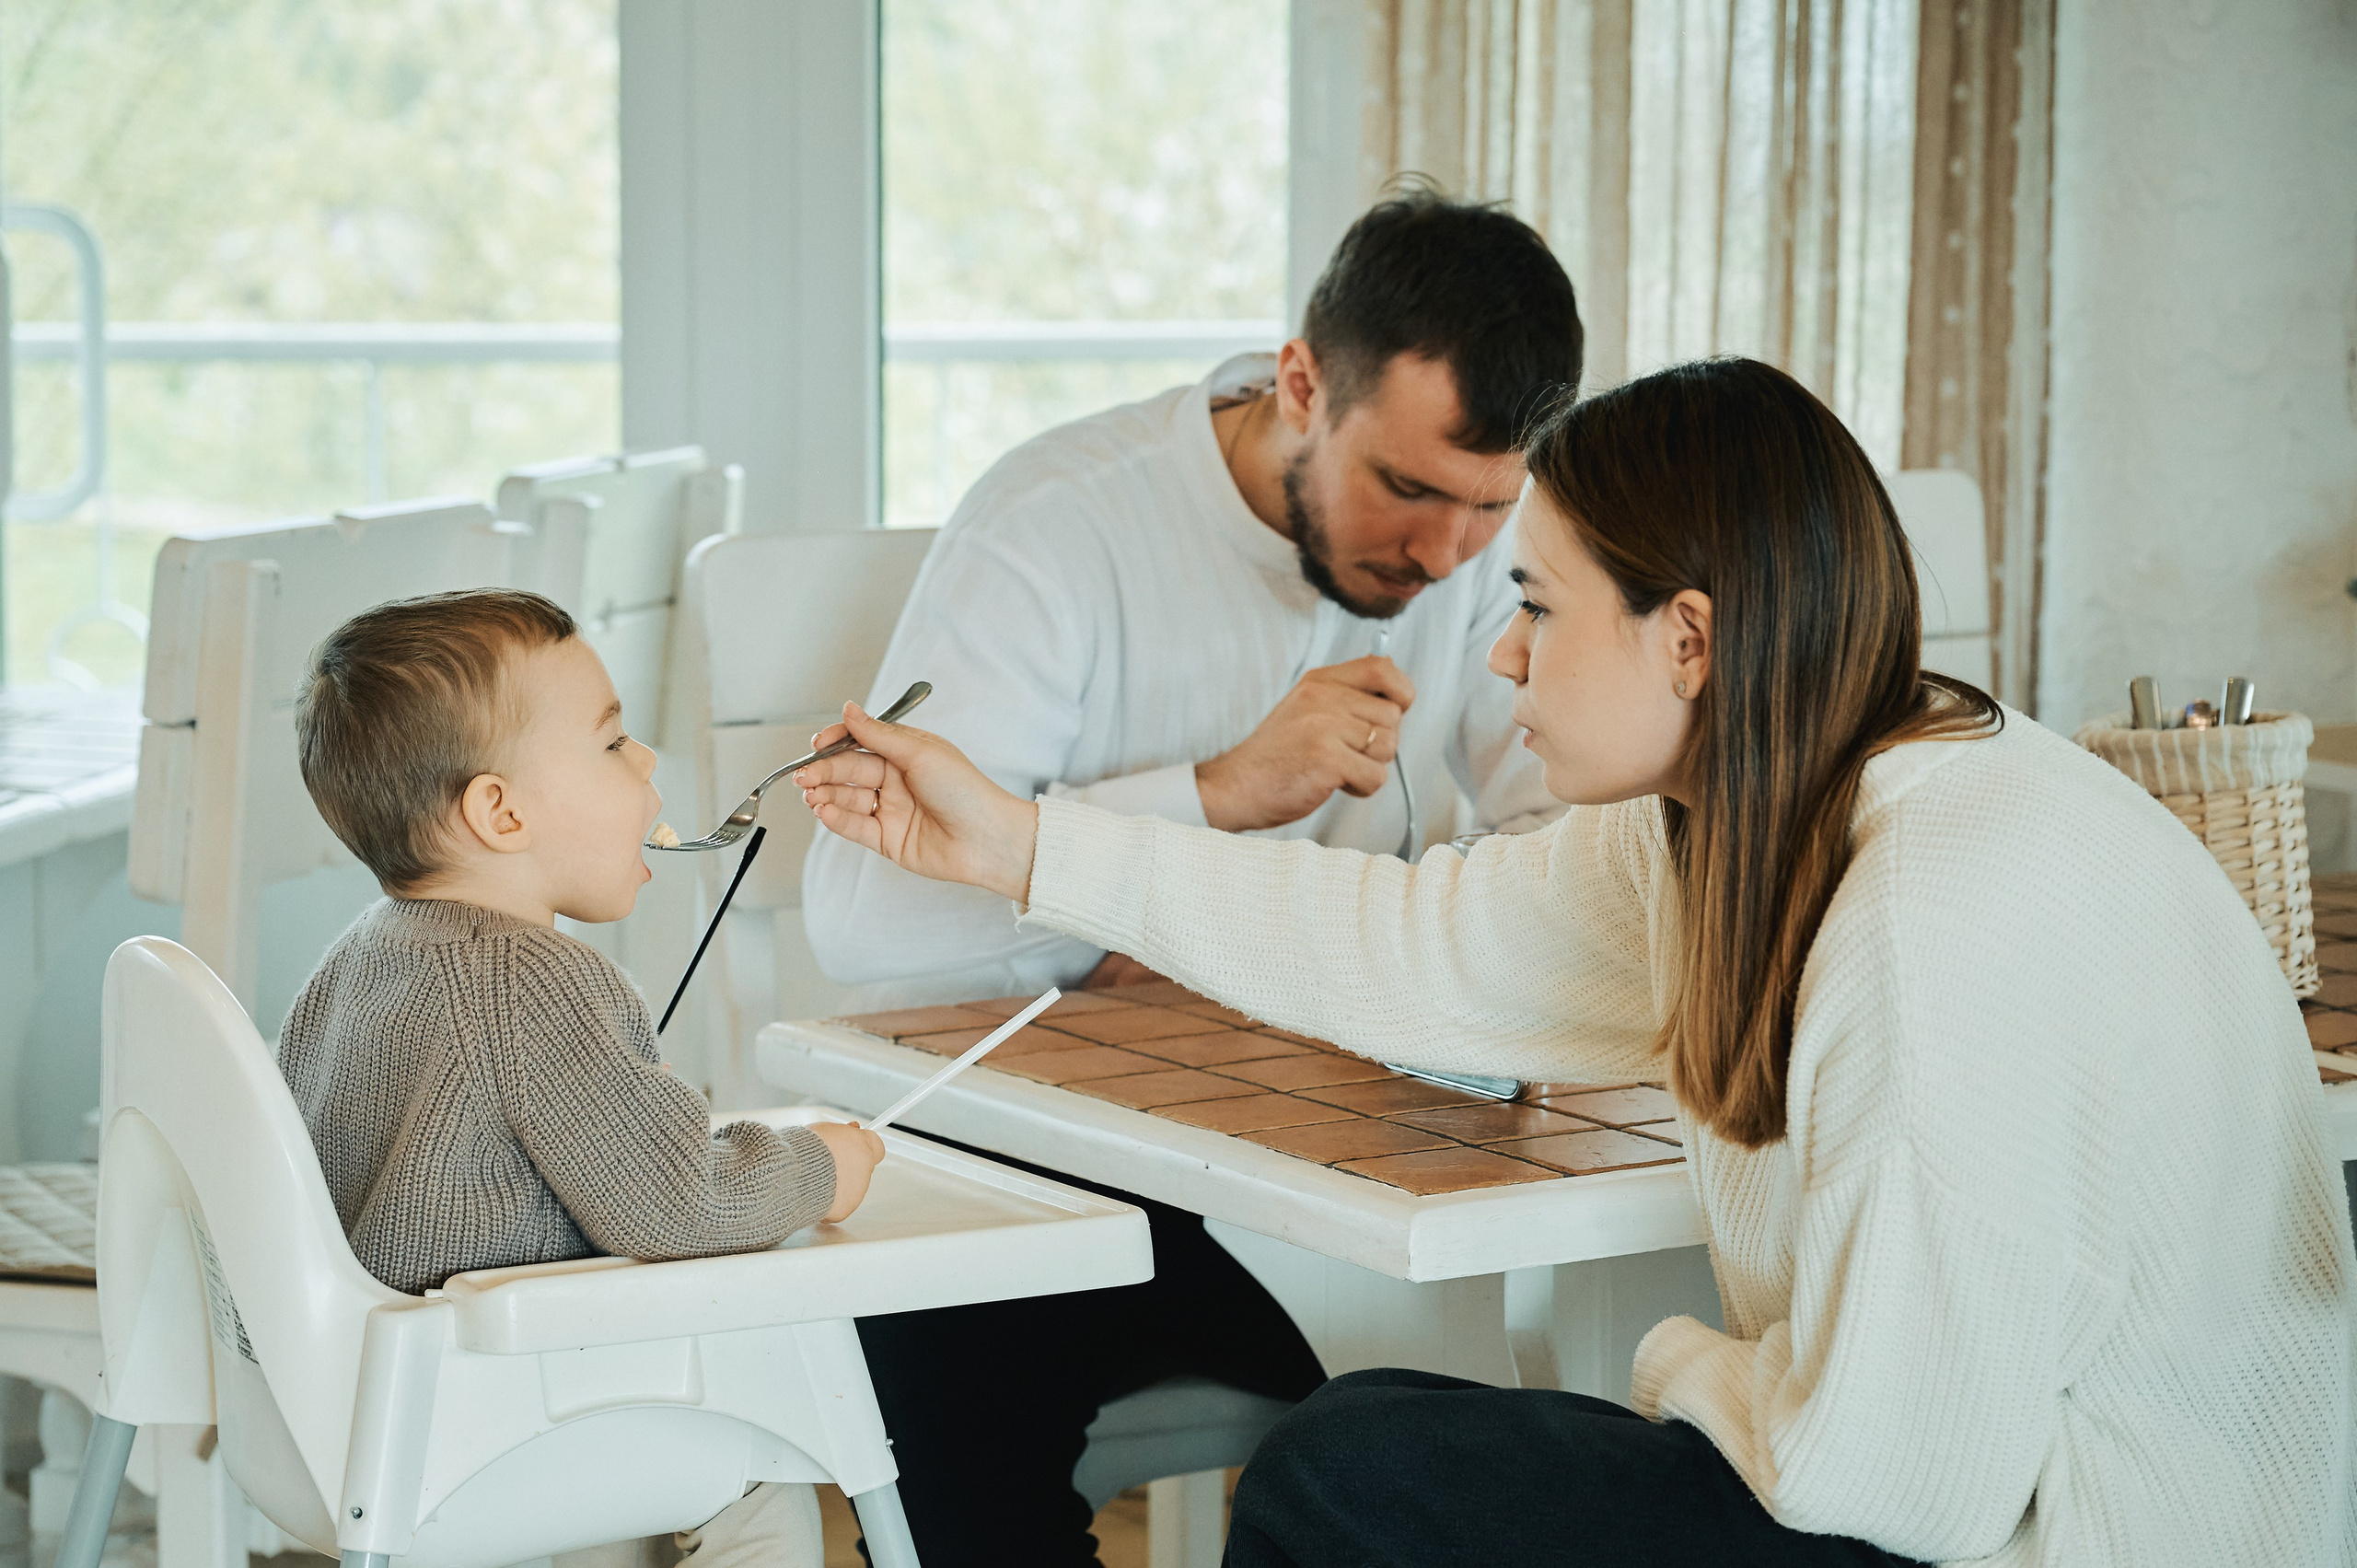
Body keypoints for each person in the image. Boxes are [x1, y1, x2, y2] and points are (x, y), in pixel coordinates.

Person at [795, 357, 2357, 1567]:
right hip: (1958, 1499)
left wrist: (1680, 1360)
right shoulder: (1754, 812)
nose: (1501, 649)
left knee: (1351, 1480)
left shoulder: (1931, 908)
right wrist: (1018, 842)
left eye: (1536, 600)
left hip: (2073, 1532)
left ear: (1688, 637)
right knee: (1371, 1429)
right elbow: (1404, 939)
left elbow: (1901, 1474)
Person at [803, 186, 1581, 1008]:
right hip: (1008, 1079)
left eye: (1493, 505)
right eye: (1403, 486)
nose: (1445, 556)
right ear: (1301, 389)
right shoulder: (1048, 527)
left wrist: (1262, 947)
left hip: (1315, 1066)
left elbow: (1575, 859)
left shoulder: (1493, 559)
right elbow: (864, 923)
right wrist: (1219, 793)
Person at [283, 588, 888, 1568]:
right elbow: (681, 1204)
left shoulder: (359, 957)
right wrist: (822, 1165)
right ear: (500, 809)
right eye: (612, 745)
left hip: (367, 1423)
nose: (646, 762)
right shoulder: (530, 975)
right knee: (766, 1455)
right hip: (501, 1426)